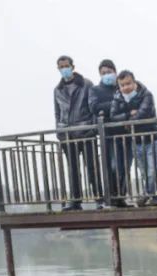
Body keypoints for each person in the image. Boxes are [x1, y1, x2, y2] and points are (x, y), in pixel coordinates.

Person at [54, 55, 101, 210]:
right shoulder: (57, 90)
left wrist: (93, 129)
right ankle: (75, 200)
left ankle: (99, 198)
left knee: (92, 167)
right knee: (73, 169)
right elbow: (57, 112)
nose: (64, 69)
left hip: (86, 132)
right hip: (67, 135)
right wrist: (59, 132)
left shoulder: (86, 84)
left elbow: (94, 107)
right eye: (61, 67)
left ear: (72, 66)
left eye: (66, 66)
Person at [110, 70, 157, 206]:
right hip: (135, 140)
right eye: (122, 85)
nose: (126, 87)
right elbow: (113, 116)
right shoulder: (117, 97)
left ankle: (146, 195)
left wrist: (128, 121)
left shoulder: (146, 94)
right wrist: (127, 115)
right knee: (144, 172)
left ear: (134, 82)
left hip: (151, 138)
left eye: (128, 83)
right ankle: (155, 197)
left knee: (152, 170)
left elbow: (143, 113)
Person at [88, 59, 128, 208]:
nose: (107, 75)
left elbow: (129, 103)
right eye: (103, 73)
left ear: (115, 71)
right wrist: (115, 104)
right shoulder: (95, 90)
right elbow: (94, 107)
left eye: (109, 72)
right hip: (107, 135)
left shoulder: (121, 86)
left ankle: (121, 196)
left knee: (123, 167)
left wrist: (108, 108)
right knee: (111, 167)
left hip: (123, 132)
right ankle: (111, 197)